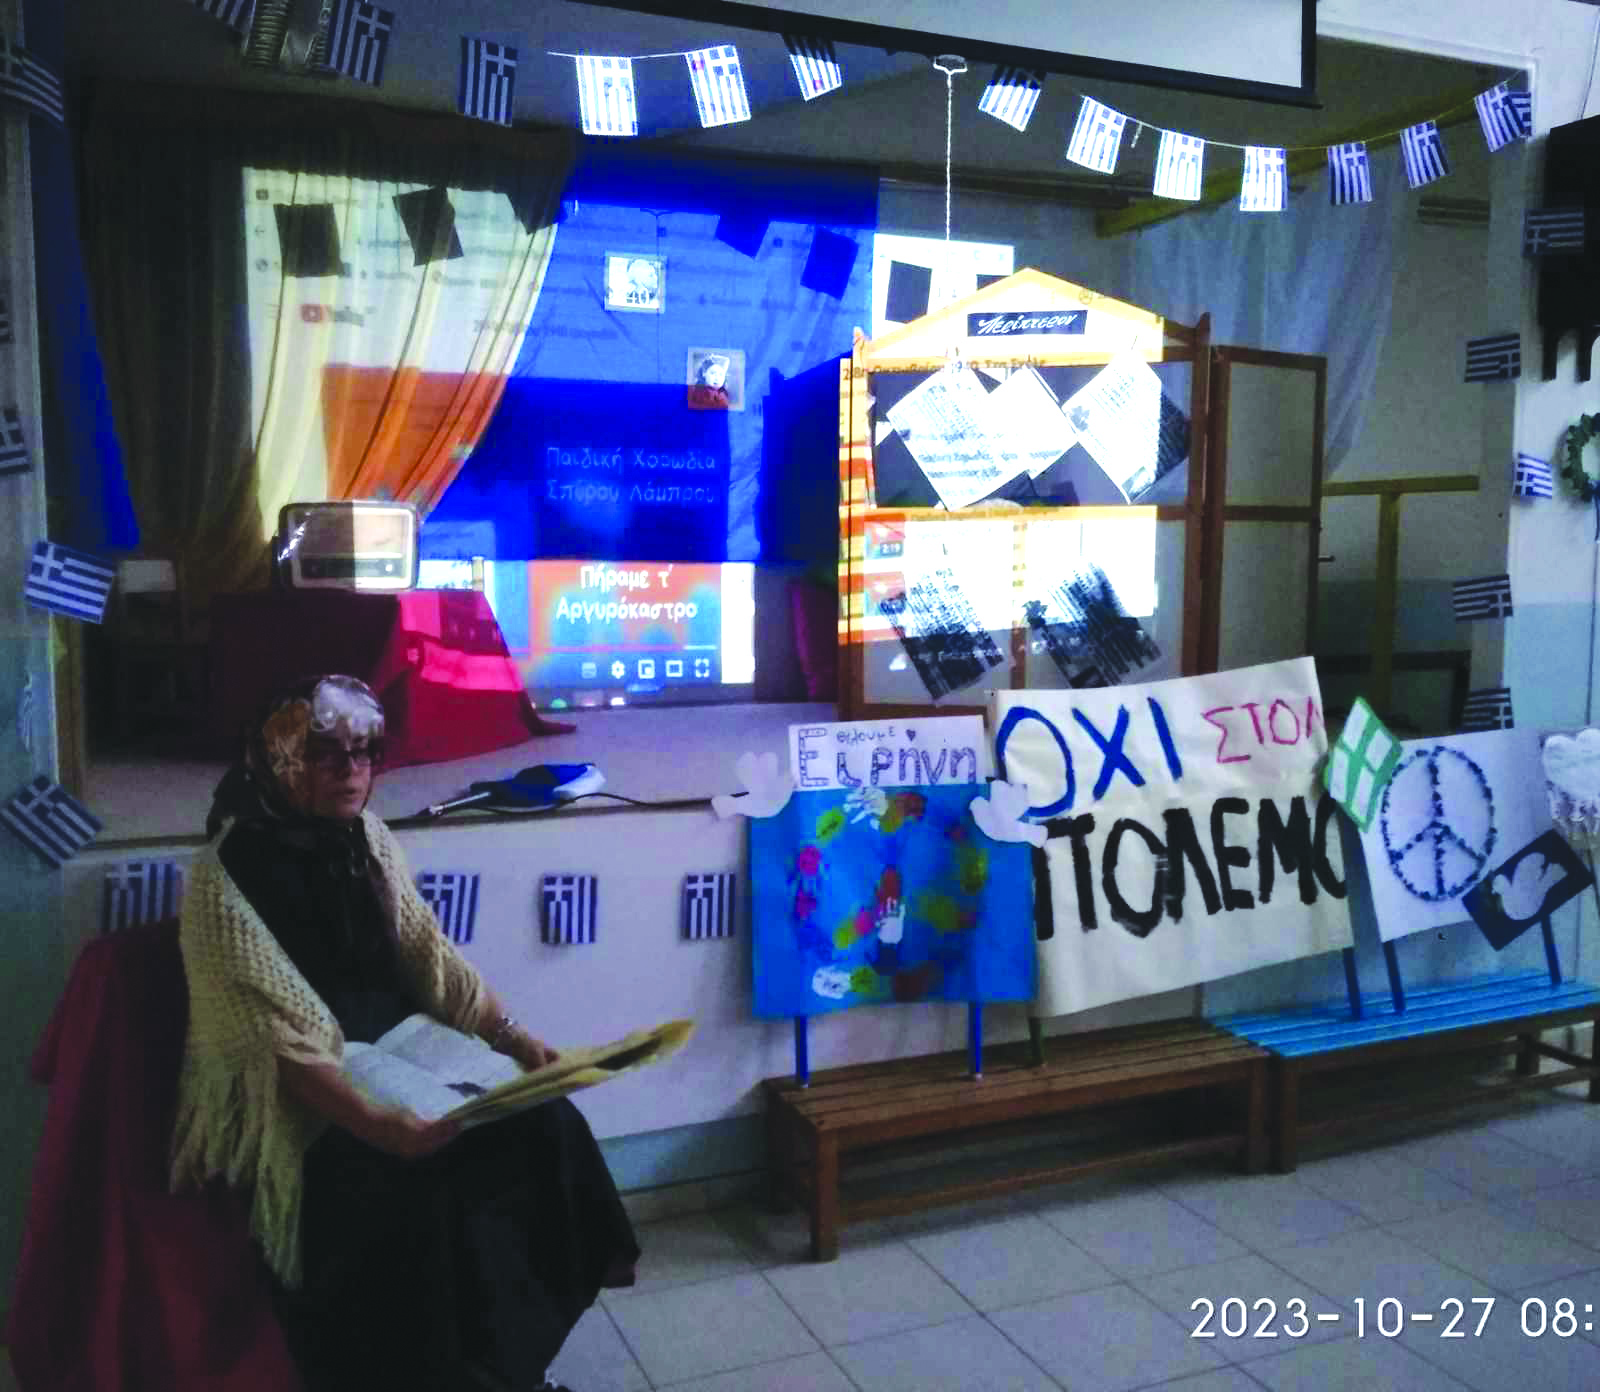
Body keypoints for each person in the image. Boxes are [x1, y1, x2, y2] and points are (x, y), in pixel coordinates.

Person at [169, 674, 638, 1392]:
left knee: (546, 1125)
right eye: (325, 754)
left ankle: (512, 1369)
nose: (351, 771)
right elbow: (272, 1045)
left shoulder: (368, 839)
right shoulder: (221, 878)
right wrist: (373, 1121)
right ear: (279, 760)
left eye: (364, 753)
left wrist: (515, 1040)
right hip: (312, 1099)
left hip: (410, 1055)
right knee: (424, 1192)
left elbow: (431, 957)